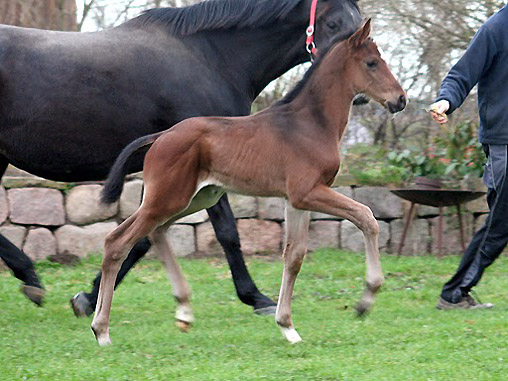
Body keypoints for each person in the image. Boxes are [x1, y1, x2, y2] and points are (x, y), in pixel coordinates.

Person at [430, 4, 508, 309]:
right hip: (504, 143)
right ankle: (454, 293)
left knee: (499, 223)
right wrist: (445, 101)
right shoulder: (495, 29)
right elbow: (462, 73)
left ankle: (454, 293)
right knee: (500, 223)